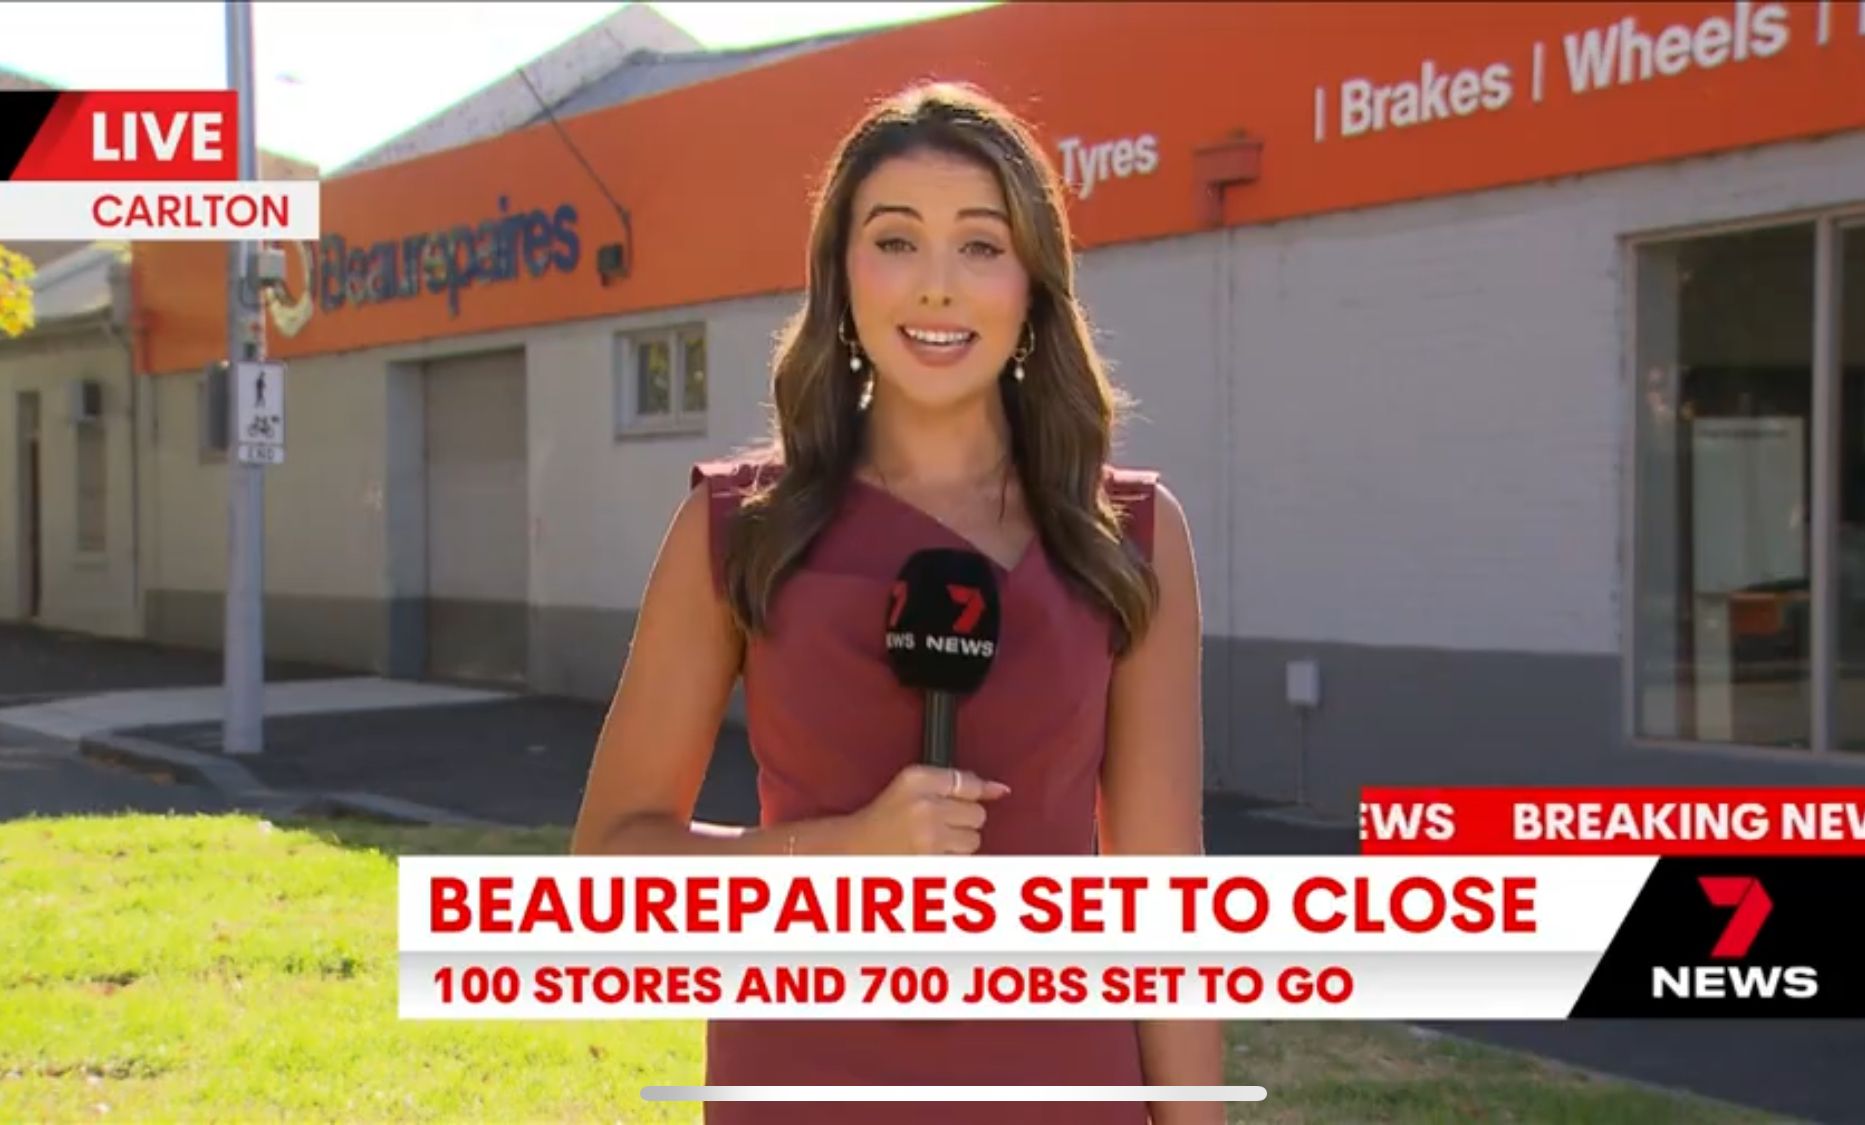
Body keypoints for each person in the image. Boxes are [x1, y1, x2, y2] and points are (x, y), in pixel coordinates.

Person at [571, 80, 1222, 1124]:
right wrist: (841, 852)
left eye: (979, 245)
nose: (936, 287)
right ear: (840, 272)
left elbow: (1163, 899)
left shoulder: (1131, 537)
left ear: (1032, 282)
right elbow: (607, 874)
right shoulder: (736, 529)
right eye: (895, 241)